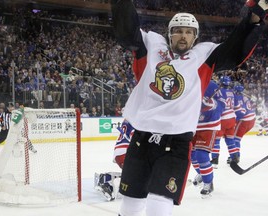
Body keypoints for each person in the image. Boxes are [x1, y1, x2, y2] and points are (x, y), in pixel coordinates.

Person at [111, 0, 268, 215]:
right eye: (178, 31)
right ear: (169, 34)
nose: (183, 36)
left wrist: (254, 17)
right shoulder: (151, 46)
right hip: (141, 139)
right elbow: (126, 31)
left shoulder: (204, 55)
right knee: (130, 204)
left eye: (188, 32)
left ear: (195, 36)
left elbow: (235, 50)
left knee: (159, 204)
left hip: (175, 143)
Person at [191, 80, 224, 198]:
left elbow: (222, 106)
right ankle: (203, 175)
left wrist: (212, 104)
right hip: (192, 125)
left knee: (201, 155)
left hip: (209, 124)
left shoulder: (214, 85)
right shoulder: (188, 80)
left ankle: (208, 183)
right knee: (191, 155)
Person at [211, 75, 239, 167]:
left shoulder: (218, 91)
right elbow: (235, 105)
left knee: (216, 140)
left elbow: (215, 104)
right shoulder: (231, 92)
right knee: (230, 139)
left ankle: (215, 160)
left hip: (223, 119)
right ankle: (235, 158)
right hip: (232, 118)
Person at [234, 84, 256, 157]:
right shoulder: (245, 97)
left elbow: (242, 112)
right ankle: (236, 155)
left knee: (235, 138)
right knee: (237, 138)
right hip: (252, 120)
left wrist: (235, 120)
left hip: (244, 121)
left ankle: (236, 156)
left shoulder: (237, 97)